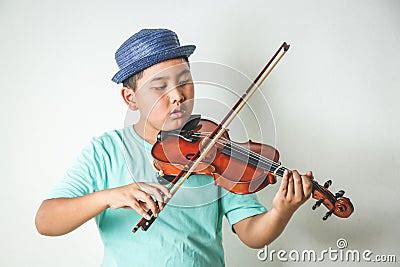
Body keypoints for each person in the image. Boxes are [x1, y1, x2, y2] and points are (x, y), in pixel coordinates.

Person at [35, 28, 314, 266]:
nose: (178, 96)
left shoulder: (215, 149)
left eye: (184, 82)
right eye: (160, 87)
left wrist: (281, 211)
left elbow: (251, 234)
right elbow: (46, 220)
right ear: (130, 98)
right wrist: (109, 196)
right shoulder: (106, 150)